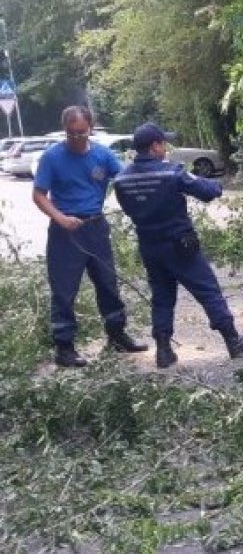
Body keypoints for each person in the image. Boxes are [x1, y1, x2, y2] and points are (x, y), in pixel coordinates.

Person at [113, 123, 243, 368]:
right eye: (163, 143)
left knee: (161, 297)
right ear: (155, 145)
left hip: (149, 247)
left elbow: (128, 209)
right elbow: (208, 191)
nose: (165, 148)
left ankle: (163, 350)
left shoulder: (121, 179)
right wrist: (216, 184)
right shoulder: (171, 172)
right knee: (208, 291)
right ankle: (233, 340)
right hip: (180, 245)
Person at [32, 106, 147, 367]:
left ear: (91, 128)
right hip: (65, 232)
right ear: (65, 131)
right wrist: (60, 218)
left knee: (107, 283)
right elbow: (38, 195)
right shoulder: (52, 158)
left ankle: (116, 335)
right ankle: (64, 347)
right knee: (64, 290)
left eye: (81, 133)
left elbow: (124, 180)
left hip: (96, 228)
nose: (76, 138)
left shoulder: (103, 155)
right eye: (71, 134)